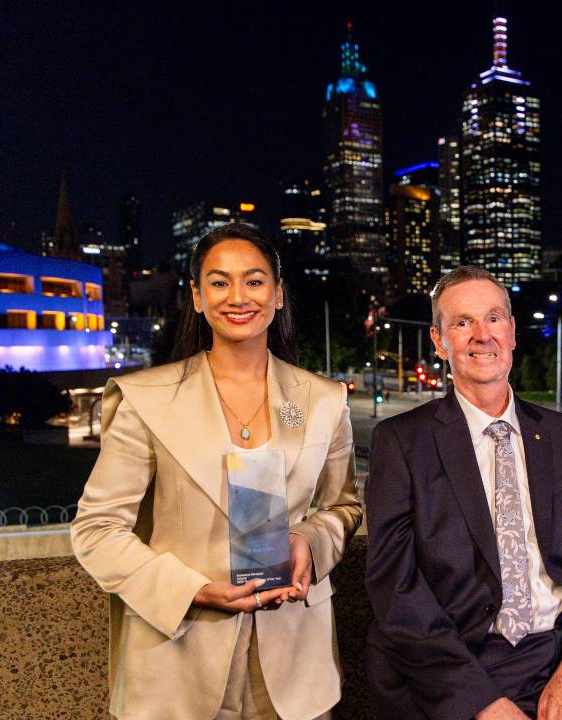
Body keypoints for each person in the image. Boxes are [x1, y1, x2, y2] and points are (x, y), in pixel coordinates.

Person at [71, 223, 362, 720]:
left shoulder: (323, 400)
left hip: (294, 662)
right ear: (198, 297)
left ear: (277, 294)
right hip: (176, 659)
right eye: (219, 281)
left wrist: (309, 544)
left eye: (254, 280)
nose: (237, 296)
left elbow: (344, 506)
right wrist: (192, 590)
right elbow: (96, 530)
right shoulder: (147, 399)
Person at [364, 266, 562, 720]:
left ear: (511, 331)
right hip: (460, 666)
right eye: (462, 322)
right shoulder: (401, 442)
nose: (481, 335)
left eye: (493, 319)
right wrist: (481, 701)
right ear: (438, 340)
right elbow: (396, 592)